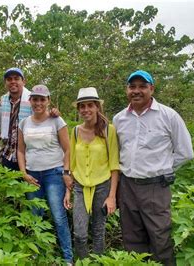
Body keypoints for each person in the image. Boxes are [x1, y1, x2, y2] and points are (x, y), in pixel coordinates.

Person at [113, 70, 194, 265]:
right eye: (132, 86)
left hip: (156, 187)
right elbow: (116, 152)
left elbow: (186, 152)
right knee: (131, 236)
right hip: (127, 186)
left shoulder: (168, 116)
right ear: (127, 89)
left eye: (142, 86)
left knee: (160, 236)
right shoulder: (119, 119)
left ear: (152, 88)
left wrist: (162, 167)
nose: (137, 91)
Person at [17, 84, 73, 264]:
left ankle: (67, 258)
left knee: (58, 216)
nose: (38, 103)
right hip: (32, 175)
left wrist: (66, 172)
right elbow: (20, 151)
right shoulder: (24, 123)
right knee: (35, 216)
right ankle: (37, 254)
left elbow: (68, 149)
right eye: (35, 99)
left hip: (53, 174)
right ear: (30, 101)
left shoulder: (57, 121)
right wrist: (23, 172)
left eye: (42, 99)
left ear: (48, 101)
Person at [70, 87, 120, 258]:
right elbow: (72, 163)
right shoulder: (75, 131)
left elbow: (114, 165)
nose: (86, 110)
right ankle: (82, 261)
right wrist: (67, 189)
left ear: (97, 106)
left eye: (90, 105)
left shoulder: (109, 130)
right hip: (79, 186)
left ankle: (99, 261)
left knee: (99, 231)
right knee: (79, 233)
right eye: (82, 106)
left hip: (102, 185)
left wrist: (112, 196)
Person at [0, 67, 32, 171]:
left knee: (28, 186)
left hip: (28, 156)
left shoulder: (33, 99)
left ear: (23, 81)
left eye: (16, 78)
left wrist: (54, 113)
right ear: (5, 83)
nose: (13, 81)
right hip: (8, 154)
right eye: (9, 79)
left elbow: (44, 117)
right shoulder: (3, 100)